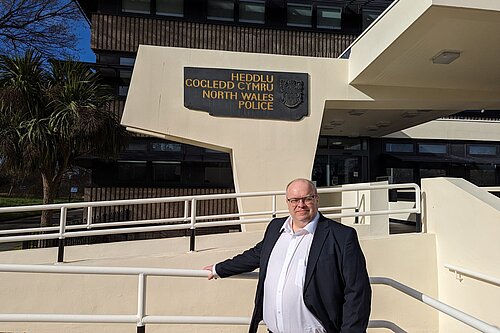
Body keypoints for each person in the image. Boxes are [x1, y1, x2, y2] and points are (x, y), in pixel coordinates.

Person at [204, 178, 371, 333]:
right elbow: (256, 255)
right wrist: (219, 269)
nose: (301, 205)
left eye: (307, 198)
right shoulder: (276, 228)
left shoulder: (341, 236)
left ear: (316, 199)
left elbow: (357, 292)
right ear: (287, 202)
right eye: (294, 200)